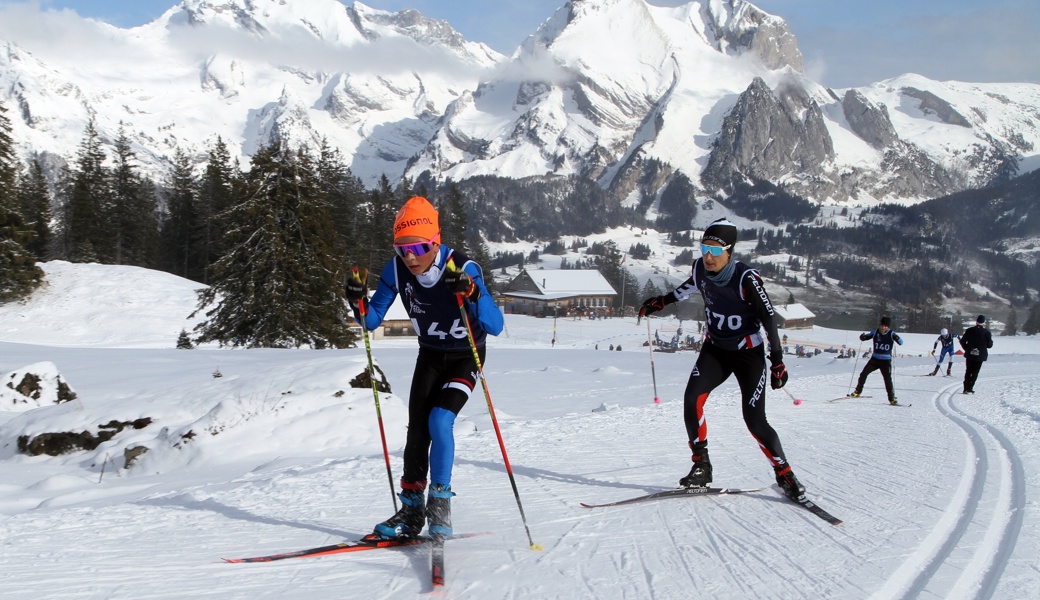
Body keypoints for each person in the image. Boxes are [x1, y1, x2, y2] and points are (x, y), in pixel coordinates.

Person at [344, 196, 503, 539]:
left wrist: (472, 293)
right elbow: (371, 321)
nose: (410, 257)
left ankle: (440, 504)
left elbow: (495, 325)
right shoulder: (396, 269)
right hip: (430, 355)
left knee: (439, 420)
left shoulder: (461, 268)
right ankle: (412, 510)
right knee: (417, 430)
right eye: (402, 249)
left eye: (417, 247)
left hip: (466, 355)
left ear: (435, 242)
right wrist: (356, 300)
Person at [638, 218, 805, 500]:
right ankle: (701, 465)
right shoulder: (700, 270)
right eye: (704, 248)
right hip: (715, 349)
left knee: (754, 419)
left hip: (748, 355)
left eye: (715, 251)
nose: (708, 256)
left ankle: (784, 473)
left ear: (729, 251)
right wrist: (662, 301)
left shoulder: (745, 279)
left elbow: (769, 320)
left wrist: (777, 362)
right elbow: (691, 285)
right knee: (692, 399)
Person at [851, 316, 904, 404]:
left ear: (888, 327)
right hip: (875, 360)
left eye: (886, 326)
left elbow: (901, 342)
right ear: (880, 325)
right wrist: (862, 337)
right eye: (882, 326)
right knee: (863, 374)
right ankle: (857, 392)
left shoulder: (891, 334)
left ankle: (892, 399)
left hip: (886, 361)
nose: (884, 328)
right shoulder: (875, 332)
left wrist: (897, 338)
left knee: (887, 379)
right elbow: (866, 337)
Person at [959, 315, 993, 394]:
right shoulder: (987, 333)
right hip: (980, 356)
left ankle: (965, 388)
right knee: (975, 372)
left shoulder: (969, 330)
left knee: (968, 371)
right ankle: (970, 388)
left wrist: (966, 349)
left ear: (976, 321)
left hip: (970, 354)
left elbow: (962, 341)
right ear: (983, 323)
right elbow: (989, 345)